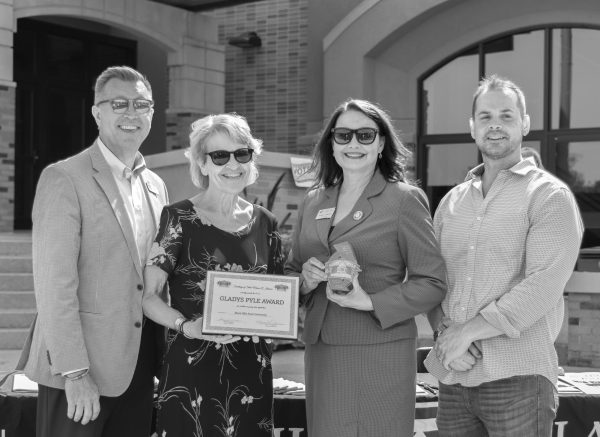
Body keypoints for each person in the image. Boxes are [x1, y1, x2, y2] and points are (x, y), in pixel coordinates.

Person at [425, 75, 583, 436]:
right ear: (472, 127)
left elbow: (542, 286)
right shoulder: (451, 203)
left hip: (519, 380)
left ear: (525, 124)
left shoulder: (549, 196)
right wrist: (444, 332)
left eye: (507, 115)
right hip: (455, 378)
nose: (495, 124)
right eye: (485, 116)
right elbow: (433, 280)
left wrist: (466, 333)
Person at [17, 66, 169, 436]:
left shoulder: (156, 185)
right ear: (97, 112)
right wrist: (75, 372)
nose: (131, 113)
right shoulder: (65, 177)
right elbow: (55, 285)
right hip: (79, 373)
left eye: (141, 104)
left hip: (137, 367)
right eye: (119, 103)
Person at [285, 99, 447, 436]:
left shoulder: (403, 199)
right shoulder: (314, 200)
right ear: (331, 143)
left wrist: (369, 301)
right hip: (321, 349)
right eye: (343, 135)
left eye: (365, 135)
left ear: (382, 142)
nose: (354, 144)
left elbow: (432, 282)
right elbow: (291, 269)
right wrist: (303, 281)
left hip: (378, 350)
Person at [142, 113, 283, 436]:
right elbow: (149, 298)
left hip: (252, 373)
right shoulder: (178, 218)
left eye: (241, 153)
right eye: (220, 155)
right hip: (192, 371)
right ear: (202, 164)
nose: (232, 164)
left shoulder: (266, 224)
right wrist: (186, 326)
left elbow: (279, 295)